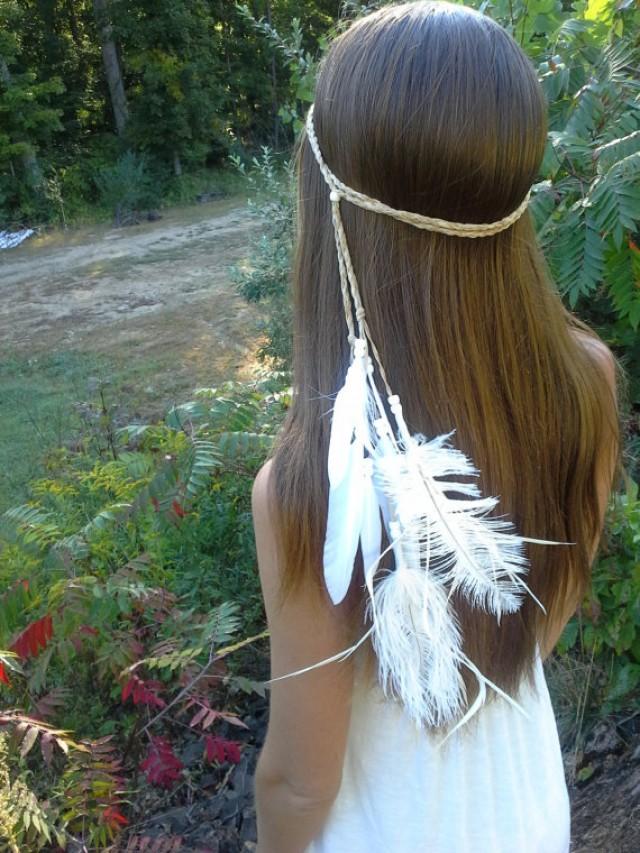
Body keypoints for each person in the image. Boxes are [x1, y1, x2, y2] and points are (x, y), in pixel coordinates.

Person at [250, 3, 620, 851]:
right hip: (523, 813)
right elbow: (541, 620)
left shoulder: (310, 484)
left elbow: (302, 778)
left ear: (328, 197)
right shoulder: (583, 384)